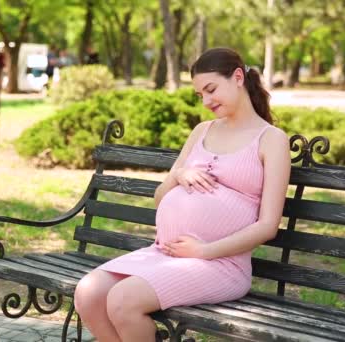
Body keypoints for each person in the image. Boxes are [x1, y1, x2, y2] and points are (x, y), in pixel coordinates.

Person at [73, 47, 291, 342]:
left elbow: (268, 226)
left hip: (221, 264)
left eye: (211, 89)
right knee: (88, 293)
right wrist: (179, 175)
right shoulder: (201, 131)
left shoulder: (271, 140)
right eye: (200, 95)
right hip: (165, 254)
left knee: (122, 301)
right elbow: (161, 197)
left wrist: (204, 251)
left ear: (238, 77)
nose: (207, 101)